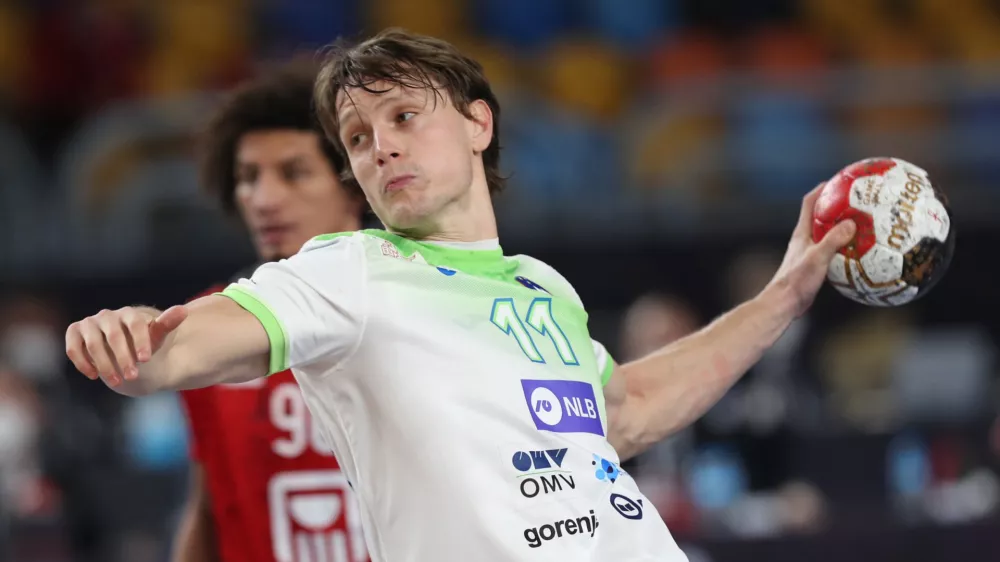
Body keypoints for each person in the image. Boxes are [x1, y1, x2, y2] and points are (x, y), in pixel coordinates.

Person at [64, 28, 857, 561]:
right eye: (360, 138)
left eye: (405, 115)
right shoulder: (349, 270)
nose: (383, 147)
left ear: (479, 123)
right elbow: (188, 345)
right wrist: (135, 345)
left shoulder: (543, 286)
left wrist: (782, 298)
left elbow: (627, 408)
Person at [168, 63, 369, 562]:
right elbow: (209, 503)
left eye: (293, 172)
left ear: (354, 182)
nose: (264, 198)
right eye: (248, 177)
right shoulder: (204, 327)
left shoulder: (423, 301)